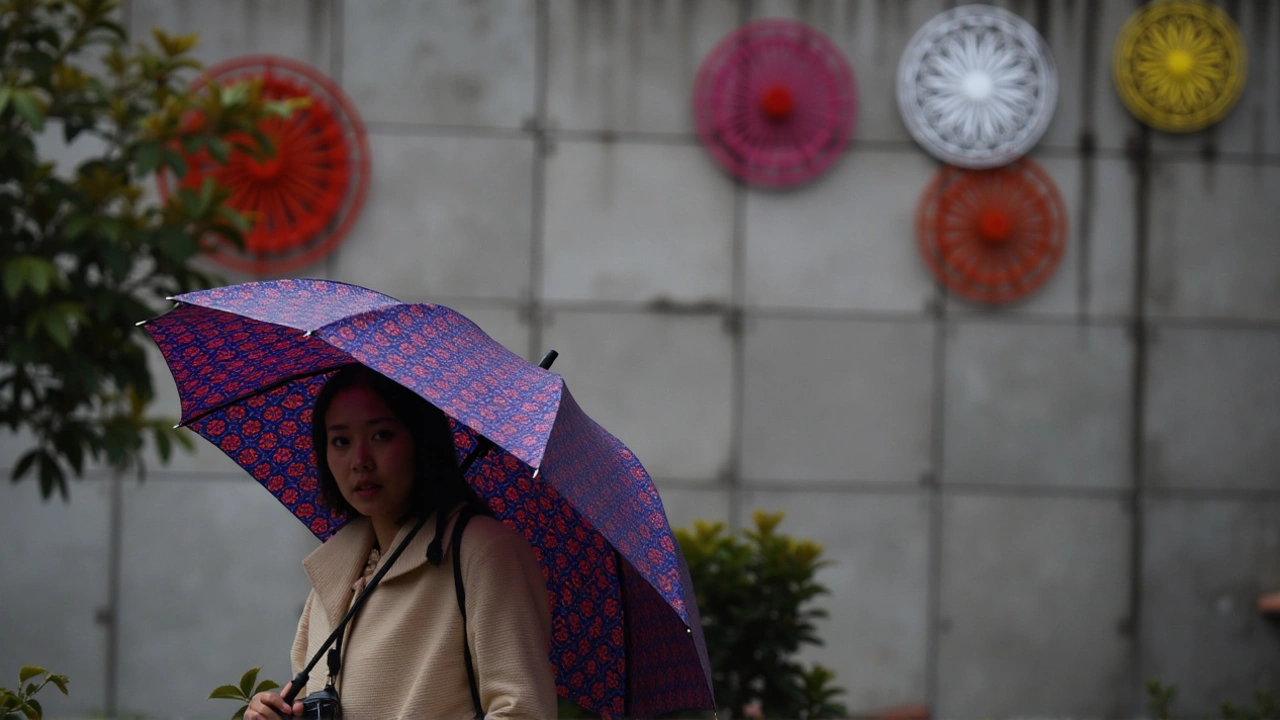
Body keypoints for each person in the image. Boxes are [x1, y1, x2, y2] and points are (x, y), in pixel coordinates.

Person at [245, 365, 558, 720]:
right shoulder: (333, 576)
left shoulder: (482, 552)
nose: (360, 461)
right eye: (341, 441)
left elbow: (522, 710)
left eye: (381, 435)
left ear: (421, 441)